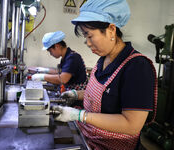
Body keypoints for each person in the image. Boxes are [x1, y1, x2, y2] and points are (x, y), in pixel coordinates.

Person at [51, 0, 157, 150]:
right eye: (85, 37)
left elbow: (132, 124)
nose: (87, 43)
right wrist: (76, 94)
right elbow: (102, 95)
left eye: (89, 35)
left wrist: (81, 115)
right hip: (89, 136)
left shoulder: (137, 67)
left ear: (111, 30)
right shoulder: (103, 60)